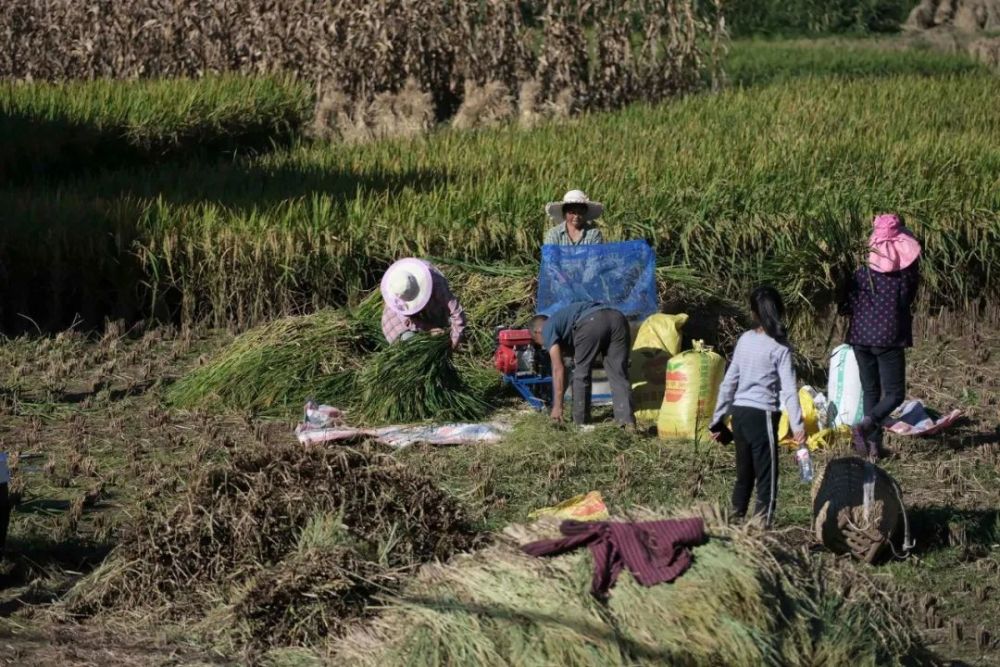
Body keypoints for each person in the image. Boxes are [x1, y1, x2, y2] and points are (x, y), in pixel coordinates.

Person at [709, 286, 805, 528]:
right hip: (762, 416)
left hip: (739, 416)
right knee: (767, 476)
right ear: (780, 310)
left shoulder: (745, 340)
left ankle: (733, 520)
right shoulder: (780, 347)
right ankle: (762, 527)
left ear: (753, 313)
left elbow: (729, 382)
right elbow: (789, 390)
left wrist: (717, 419)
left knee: (744, 475)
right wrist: (798, 426)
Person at [840, 213, 921, 460]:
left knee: (871, 392)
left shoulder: (860, 271)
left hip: (860, 337)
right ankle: (866, 425)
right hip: (888, 337)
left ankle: (873, 449)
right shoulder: (905, 273)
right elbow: (907, 299)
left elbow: (847, 303)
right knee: (895, 394)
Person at [530, 302, 634, 427]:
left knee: (581, 374)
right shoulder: (564, 322)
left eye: (538, 342)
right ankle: (627, 422)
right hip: (618, 318)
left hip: (592, 322)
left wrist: (557, 407)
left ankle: (580, 423)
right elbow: (566, 369)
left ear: (537, 332)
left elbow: (558, 369)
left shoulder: (547, 328)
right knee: (619, 375)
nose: (544, 345)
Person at [380, 257, 466, 350]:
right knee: (411, 343)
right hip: (398, 323)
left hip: (430, 311)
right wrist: (430, 329)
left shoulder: (436, 281)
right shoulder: (396, 294)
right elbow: (408, 321)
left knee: (445, 321)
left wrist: (455, 339)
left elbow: (456, 312)